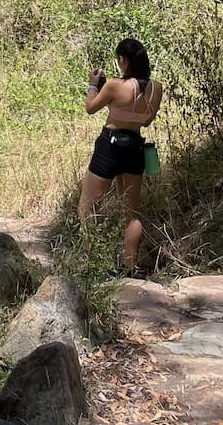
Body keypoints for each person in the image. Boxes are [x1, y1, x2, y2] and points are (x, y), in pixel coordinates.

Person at [78, 37, 163, 272]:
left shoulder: (114, 85)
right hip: (134, 146)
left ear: (123, 60)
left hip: (110, 145)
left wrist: (93, 85)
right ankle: (129, 268)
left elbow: (90, 107)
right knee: (132, 213)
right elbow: (145, 120)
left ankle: (92, 263)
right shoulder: (156, 88)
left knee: (87, 206)